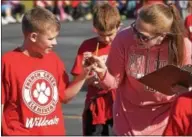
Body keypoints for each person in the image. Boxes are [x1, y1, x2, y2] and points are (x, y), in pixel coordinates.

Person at [85, 3, 192, 135]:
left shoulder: (182, 46)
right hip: (127, 121)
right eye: (135, 28)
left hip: (164, 122)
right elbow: (113, 83)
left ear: (162, 36)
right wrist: (103, 73)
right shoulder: (124, 38)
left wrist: (182, 89)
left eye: (143, 37)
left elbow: (186, 90)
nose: (135, 37)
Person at [1, 7, 91, 136]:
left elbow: (64, 96)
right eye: (50, 39)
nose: (55, 42)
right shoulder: (8, 62)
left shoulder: (53, 59)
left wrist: (83, 75)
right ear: (33, 36)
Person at [71, 3, 121, 136]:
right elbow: (77, 80)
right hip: (96, 107)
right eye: (101, 34)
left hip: (119, 106)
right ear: (95, 29)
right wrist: (89, 77)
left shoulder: (123, 44)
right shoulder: (88, 46)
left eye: (110, 34)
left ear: (118, 27)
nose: (106, 39)